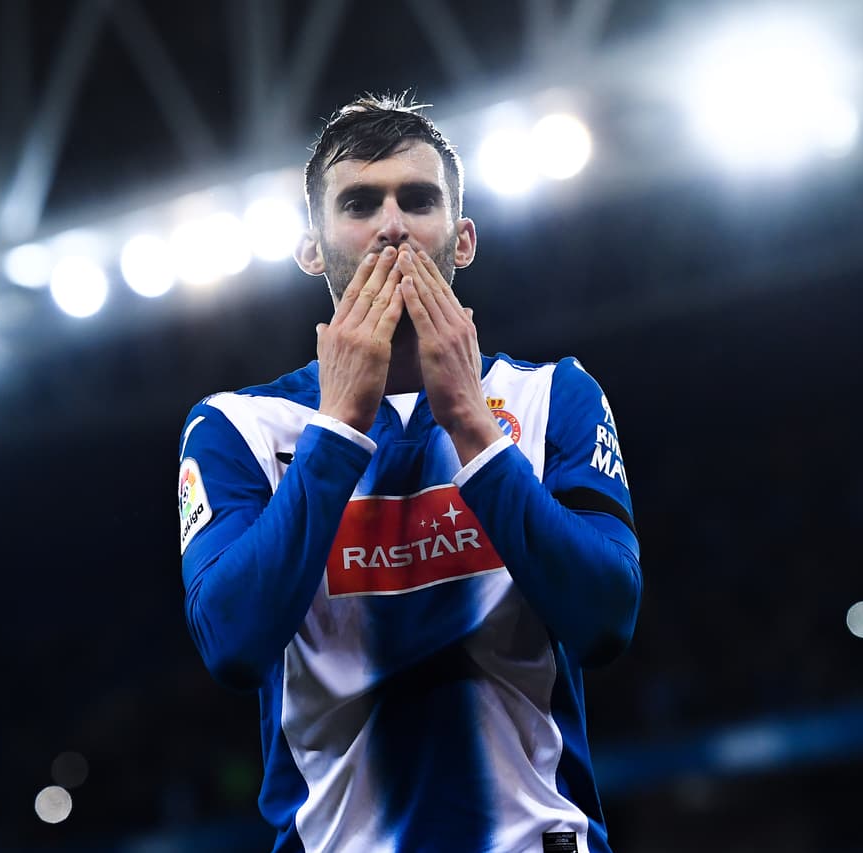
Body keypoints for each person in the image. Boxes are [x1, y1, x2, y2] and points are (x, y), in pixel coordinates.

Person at [177, 93, 642, 853]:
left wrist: (472, 427)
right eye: (360, 202)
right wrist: (336, 430)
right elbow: (231, 641)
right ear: (312, 248)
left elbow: (606, 619)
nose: (391, 226)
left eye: (416, 200)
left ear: (461, 241)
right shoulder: (239, 428)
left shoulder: (553, 395)